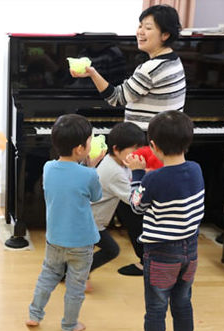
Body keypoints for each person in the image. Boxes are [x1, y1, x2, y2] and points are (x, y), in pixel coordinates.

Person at [71, 4, 185, 275]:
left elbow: (116, 98)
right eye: (140, 25)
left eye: (148, 28)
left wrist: (91, 73)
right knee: (134, 202)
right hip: (162, 142)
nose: (140, 32)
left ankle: (149, 261)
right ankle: (149, 258)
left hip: (146, 144)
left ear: (165, 35)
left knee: (136, 204)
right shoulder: (174, 60)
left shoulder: (151, 68)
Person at [126, 110, 204, 331]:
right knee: (182, 303)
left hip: (161, 253)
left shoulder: (153, 179)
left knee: (156, 309)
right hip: (190, 251)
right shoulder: (196, 169)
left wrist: (137, 174)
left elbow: (136, 206)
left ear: (153, 145)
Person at [26, 114, 102, 331]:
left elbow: (69, 178)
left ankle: (34, 314)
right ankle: (69, 326)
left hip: (55, 238)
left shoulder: (48, 167)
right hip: (82, 242)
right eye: (90, 141)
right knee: (75, 287)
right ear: (80, 149)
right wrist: (93, 166)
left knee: (47, 276)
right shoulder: (88, 174)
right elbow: (95, 196)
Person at [89, 122, 146, 281]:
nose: (137, 154)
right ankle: (77, 274)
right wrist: (139, 175)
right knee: (111, 250)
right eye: (134, 150)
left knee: (83, 252)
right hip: (91, 221)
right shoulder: (114, 172)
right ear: (116, 149)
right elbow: (135, 201)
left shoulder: (118, 161)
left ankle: (70, 272)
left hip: (94, 218)